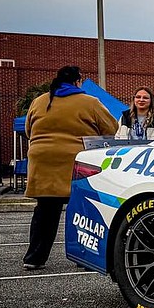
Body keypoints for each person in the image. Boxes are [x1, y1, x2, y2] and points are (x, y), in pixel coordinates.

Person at [22, 65, 118, 270]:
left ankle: (34, 258)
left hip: (42, 160)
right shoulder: (89, 102)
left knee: (45, 211)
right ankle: (83, 257)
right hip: (74, 161)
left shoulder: (40, 101)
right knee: (81, 212)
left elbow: (29, 130)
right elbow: (111, 128)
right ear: (78, 81)